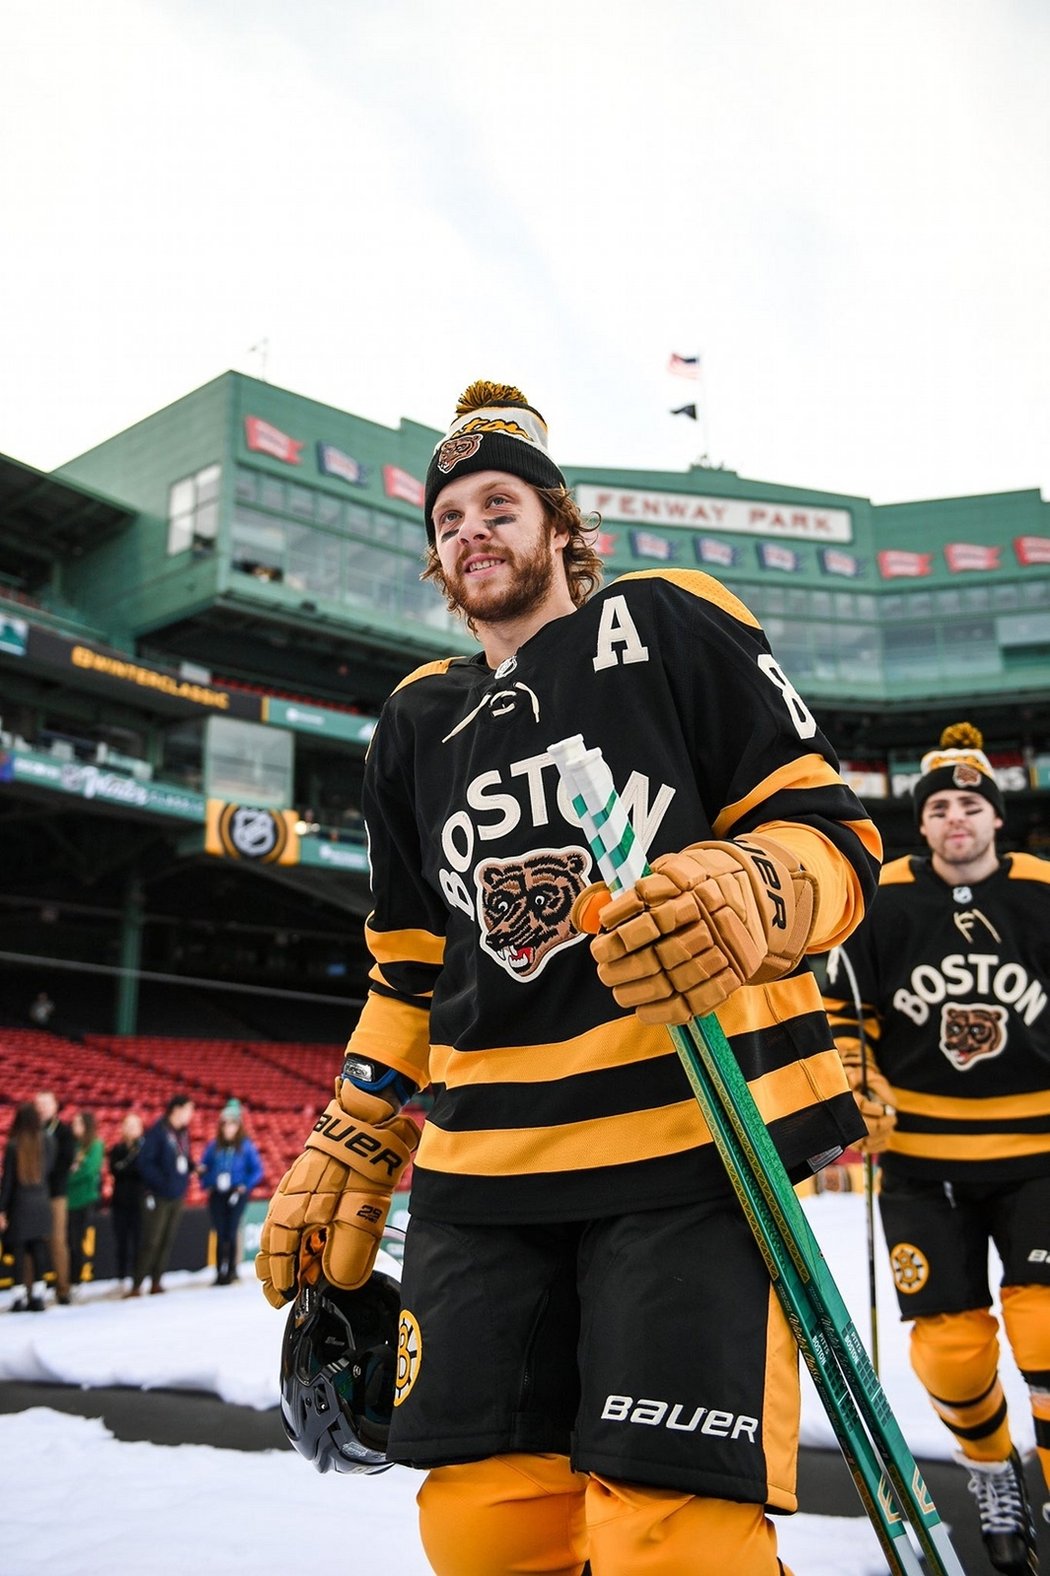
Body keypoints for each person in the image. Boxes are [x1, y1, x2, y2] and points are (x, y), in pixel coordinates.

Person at [256, 379, 881, 1576]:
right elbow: (410, 963)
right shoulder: (411, 722)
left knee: (671, 1538)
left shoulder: (668, 620)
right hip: (480, 1170)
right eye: (448, 520)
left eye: (499, 503)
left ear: (559, 525)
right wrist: (362, 1119)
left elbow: (834, 841)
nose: (471, 530)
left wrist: (752, 887)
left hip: (686, 1139)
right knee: (482, 1527)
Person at [823, 722, 1050, 1576]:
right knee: (952, 1351)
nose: (957, 818)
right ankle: (992, 1474)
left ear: (997, 818)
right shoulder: (882, 899)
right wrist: (857, 1078)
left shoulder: (1044, 890)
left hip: (1039, 1148)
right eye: (941, 807)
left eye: (971, 805)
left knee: (1047, 1326)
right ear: (922, 824)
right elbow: (846, 1015)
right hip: (920, 1153)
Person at [127, 1095, 195, 1297]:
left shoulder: (183, 1133)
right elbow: (145, 1163)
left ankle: (156, 1281)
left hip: (176, 1195)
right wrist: (162, 1183)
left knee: (167, 1240)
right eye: (188, 1110)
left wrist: (192, 1168)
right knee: (151, 1240)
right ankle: (137, 1284)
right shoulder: (157, 1132)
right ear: (176, 1109)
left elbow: (182, 1158)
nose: (191, 1115)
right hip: (158, 1196)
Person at [198, 1100, 264, 1285]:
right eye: (225, 1124)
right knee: (220, 1231)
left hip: (237, 1193)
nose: (228, 1128)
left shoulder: (246, 1146)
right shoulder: (213, 1146)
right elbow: (204, 1167)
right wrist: (207, 1183)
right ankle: (219, 1271)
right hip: (218, 1194)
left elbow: (257, 1170)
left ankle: (233, 1270)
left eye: (232, 1124)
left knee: (232, 1230)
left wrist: (245, 1185)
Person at [0, 1103, 55, 1312]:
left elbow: (7, 1182)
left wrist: (2, 1209)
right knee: (39, 1249)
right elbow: (49, 1171)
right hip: (41, 1200)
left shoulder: (14, 1145)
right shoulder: (48, 1141)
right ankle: (39, 1296)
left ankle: (19, 1297)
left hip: (20, 1203)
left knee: (19, 1252)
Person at [34, 1090, 74, 1306]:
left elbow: (65, 1162)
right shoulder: (29, 1129)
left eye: (46, 1103)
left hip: (55, 1194)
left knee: (57, 1241)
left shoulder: (63, 1131)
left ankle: (63, 1288)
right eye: (38, 1103)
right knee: (33, 1242)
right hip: (32, 1196)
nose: (42, 1107)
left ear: (55, 1106)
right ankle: (32, 1288)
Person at [66, 1109, 104, 1292]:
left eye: (78, 1123)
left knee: (76, 1241)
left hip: (83, 1200)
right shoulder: (72, 1145)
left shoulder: (95, 1145)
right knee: (67, 1241)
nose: (74, 1127)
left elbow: (88, 1171)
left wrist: (70, 1175)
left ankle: (76, 1279)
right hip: (68, 1200)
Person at [107, 1111, 145, 1291]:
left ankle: (137, 1277)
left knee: (138, 1241)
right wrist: (128, 1168)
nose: (130, 1130)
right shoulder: (117, 1149)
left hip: (138, 1202)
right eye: (127, 1125)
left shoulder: (144, 1150)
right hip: (120, 1201)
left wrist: (126, 1168)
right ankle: (121, 1277)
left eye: (134, 1126)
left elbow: (141, 1172)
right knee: (121, 1242)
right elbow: (115, 1170)